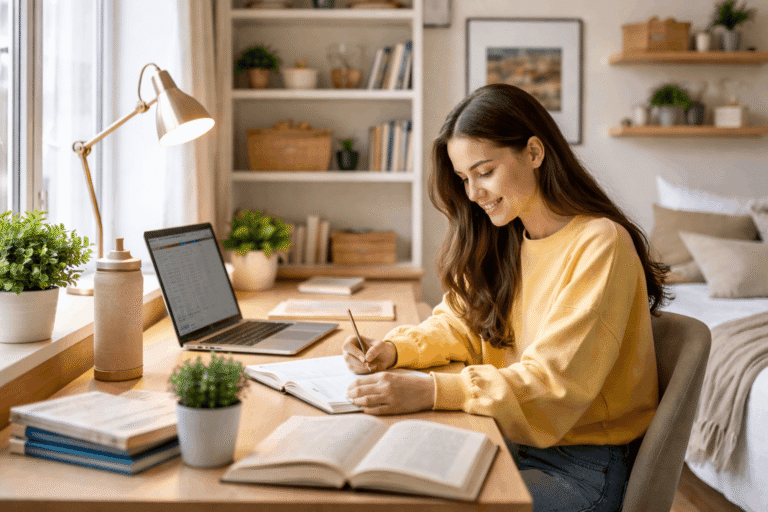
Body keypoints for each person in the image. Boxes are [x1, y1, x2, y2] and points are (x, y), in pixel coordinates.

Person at [341, 83, 670, 512]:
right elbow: (461, 323)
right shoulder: (508, 236)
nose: (473, 194)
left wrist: (432, 390)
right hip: (507, 437)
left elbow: (553, 383)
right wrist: (395, 349)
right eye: (464, 178)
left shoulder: (600, 244)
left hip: (582, 468)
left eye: (485, 172)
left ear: (534, 153)